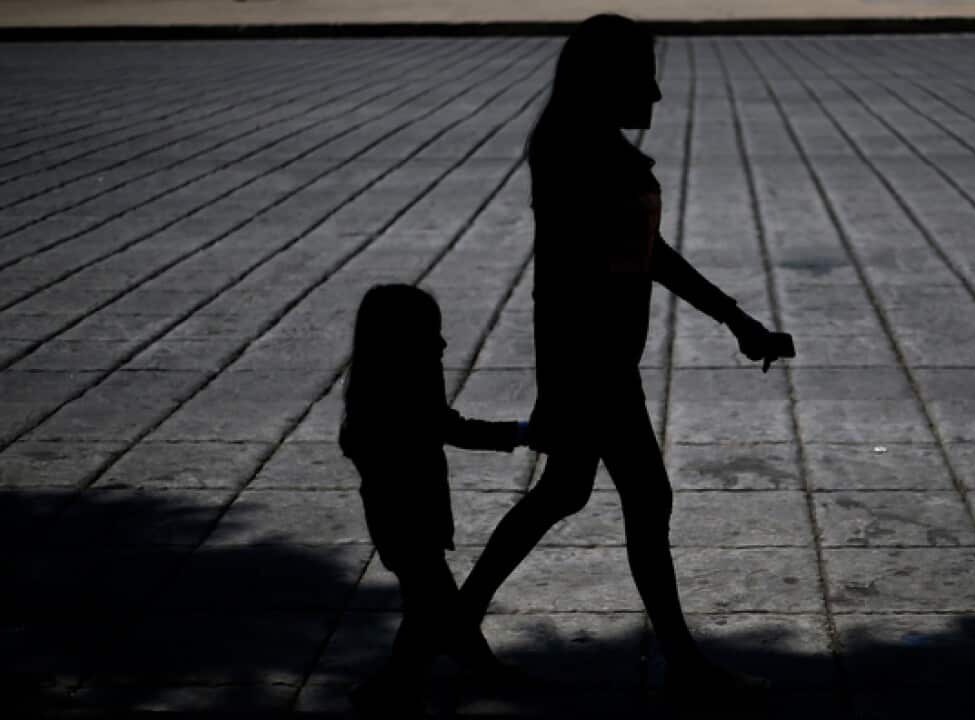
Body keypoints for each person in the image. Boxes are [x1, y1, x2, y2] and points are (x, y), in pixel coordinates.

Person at [455, 14, 795, 700]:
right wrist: (566, 380)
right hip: (594, 361)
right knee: (645, 496)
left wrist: (734, 318)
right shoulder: (575, 153)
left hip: (601, 358)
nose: (658, 96)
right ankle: (684, 665)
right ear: (606, 78)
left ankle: (453, 623)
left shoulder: (590, 147)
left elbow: (645, 255)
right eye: (645, 76)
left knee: (565, 490)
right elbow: (568, 276)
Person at [339, 284, 529, 716]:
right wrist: (521, 433)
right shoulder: (402, 392)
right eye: (432, 333)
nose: (443, 342)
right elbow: (450, 429)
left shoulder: (383, 386)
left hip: (403, 520)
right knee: (428, 607)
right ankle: (394, 685)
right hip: (410, 521)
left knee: (431, 603)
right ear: (401, 340)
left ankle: (465, 670)